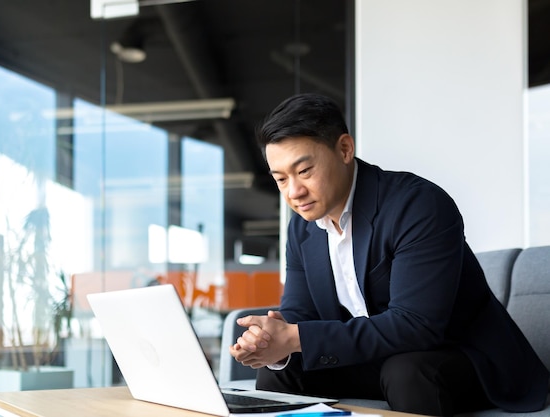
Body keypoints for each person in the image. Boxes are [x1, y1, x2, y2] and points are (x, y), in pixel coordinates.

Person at [229, 93, 549, 417]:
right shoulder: (303, 228)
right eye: (281, 179)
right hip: (379, 361)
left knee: (408, 372)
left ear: (344, 149)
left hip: (460, 358)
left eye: (305, 171)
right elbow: (301, 314)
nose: (294, 192)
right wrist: (271, 341)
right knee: (278, 368)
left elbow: (417, 325)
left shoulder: (418, 205)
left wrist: (295, 337)